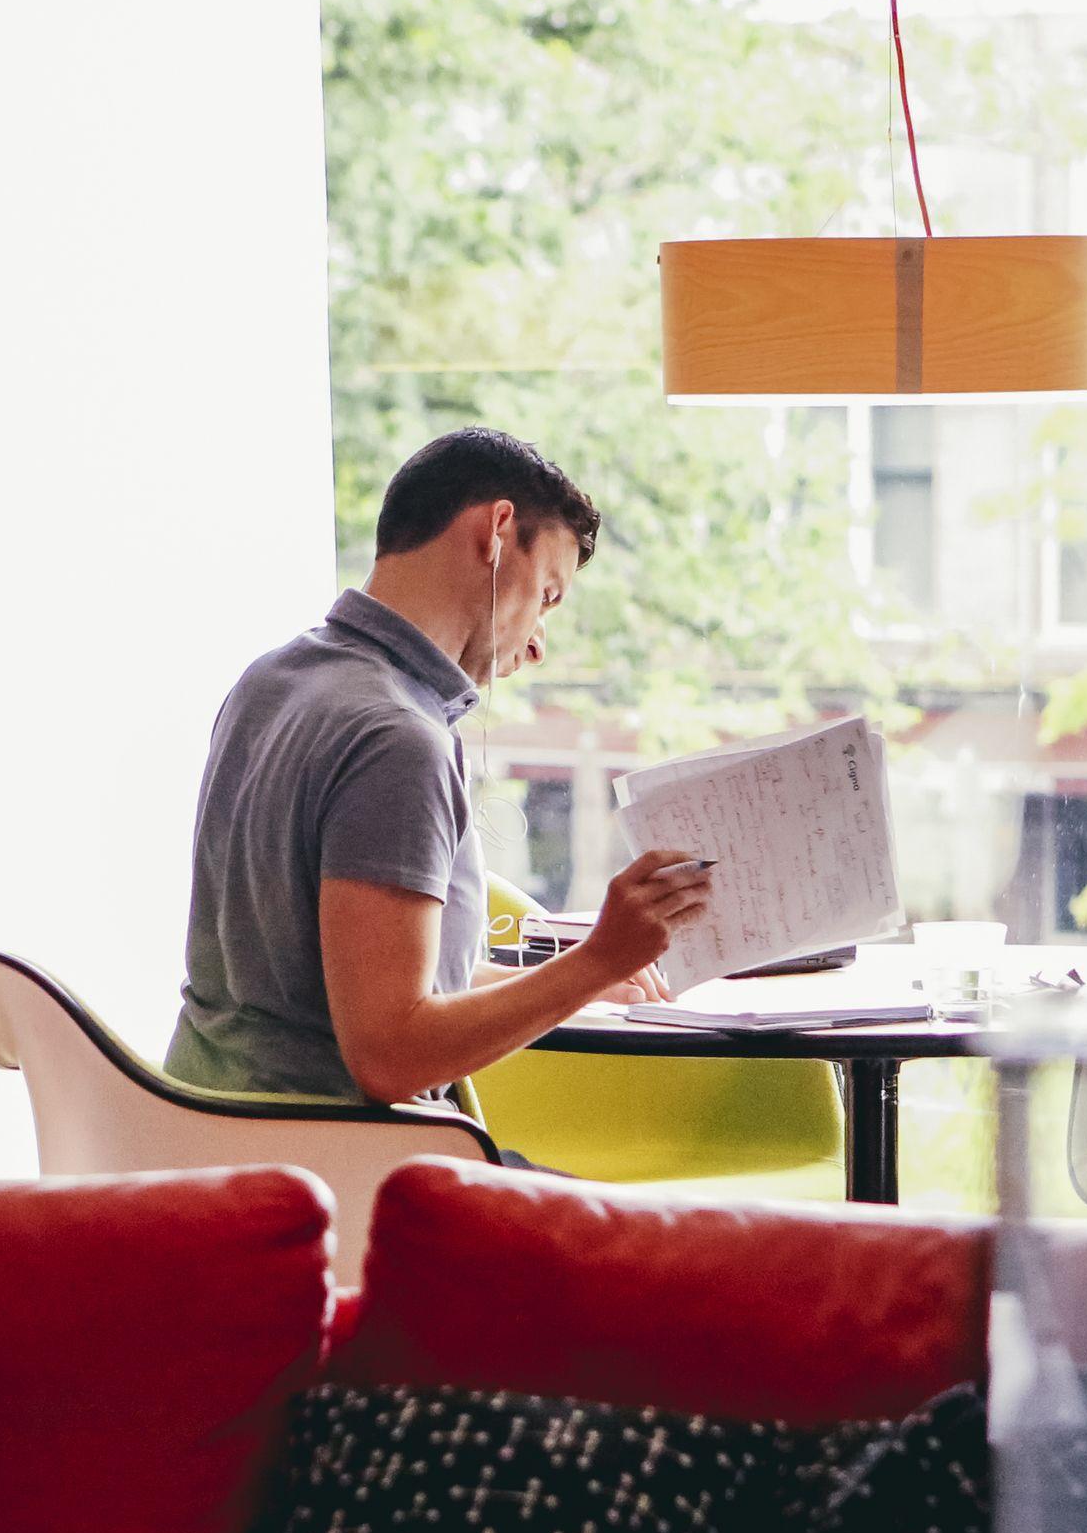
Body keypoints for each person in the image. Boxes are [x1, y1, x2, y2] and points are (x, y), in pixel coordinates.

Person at [165, 428, 715, 1106]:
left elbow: (360, 989)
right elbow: (391, 1055)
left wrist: (584, 974)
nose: (539, 645)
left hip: (215, 1141)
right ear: (497, 531)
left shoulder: (273, 681)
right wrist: (601, 957)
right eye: (546, 595)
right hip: (341, 1168)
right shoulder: (397, 741)